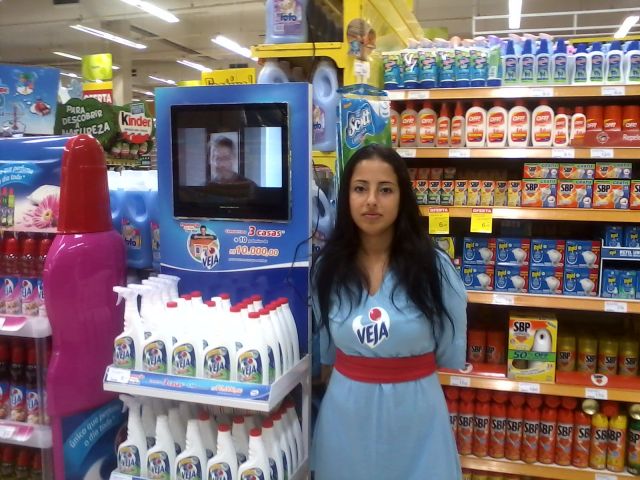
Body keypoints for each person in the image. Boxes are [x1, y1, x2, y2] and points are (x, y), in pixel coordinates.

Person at [311, 144, 467, 479]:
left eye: (385, 190)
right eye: (360, 188)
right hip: (344, 422)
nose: (371, 200)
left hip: (417, 422)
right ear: (346, 197)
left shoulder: (435, 268)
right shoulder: (327, 269)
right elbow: (326, 355)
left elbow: (449, 352)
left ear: (402, 197)